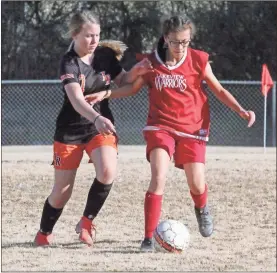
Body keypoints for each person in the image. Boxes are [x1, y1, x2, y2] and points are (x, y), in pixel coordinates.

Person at [84, 15, 256, 252]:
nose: (180, 47)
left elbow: (218, 89)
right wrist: (104, 94)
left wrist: (241, 110)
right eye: (175, 42)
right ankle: (147, 238)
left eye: (185, 42)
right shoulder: (151, 63)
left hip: (193, 127)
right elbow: (131, 88)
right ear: (166, 39)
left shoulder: (198, 60)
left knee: (196, 183)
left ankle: (202, 207)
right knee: (158, 177)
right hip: (160, 126)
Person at [34, 11, 152, 247]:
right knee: (62, 191)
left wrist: (136, 72)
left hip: (99, 127)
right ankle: (44, 233)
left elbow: (123, 80)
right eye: (88, 36)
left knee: (108, 171)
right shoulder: (69, 62)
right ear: (75, 34)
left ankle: (86, 223)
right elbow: (77, 100)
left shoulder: (105, 55)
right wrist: (96, 117)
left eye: (97, 35)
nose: (94, 40)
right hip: (70, 130)